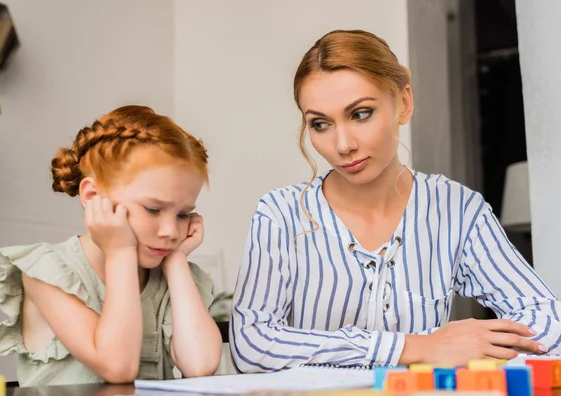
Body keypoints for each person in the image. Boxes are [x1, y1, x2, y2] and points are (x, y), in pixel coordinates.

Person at [230, 29, 561, 373]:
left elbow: (548, 322)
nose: (343, 145)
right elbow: (251, 345)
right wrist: (416, 347)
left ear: (403, 103)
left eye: (360, 114)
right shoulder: (280, 214)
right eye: (320, 123)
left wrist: (475, 347)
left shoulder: (458, 209)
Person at [0, 105, 222, 386]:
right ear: (91, 195)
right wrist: (121, 253)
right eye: (152, 209)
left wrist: (177, 263)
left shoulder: (169, 274)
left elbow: (200, 366)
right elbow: (118, 367)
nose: (170, 231)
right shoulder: (47, 271)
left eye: (182, 214)